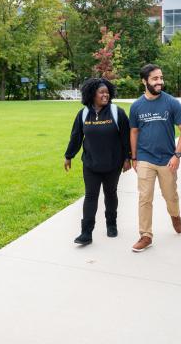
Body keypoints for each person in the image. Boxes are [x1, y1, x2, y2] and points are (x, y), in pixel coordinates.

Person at [129, 64, 181, 252]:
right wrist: (134, 157)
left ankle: (175, 215)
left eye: (161, 78)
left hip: (167, 159)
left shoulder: (171, 102)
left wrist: (177, 155)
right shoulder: (137, 106)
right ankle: (145, 235)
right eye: (155, 79)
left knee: (170, 196)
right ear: (144, 81)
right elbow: (134, 132)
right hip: (145, 158)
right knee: (144, 197)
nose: (160, 82)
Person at [64, 78, 131, 245]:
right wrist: (69, 156)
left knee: (110, 194)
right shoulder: (84, 114)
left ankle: (111, 224)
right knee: (90, 196)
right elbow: (76, 137)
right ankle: (86, 232)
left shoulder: (117, 112)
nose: (105, 95)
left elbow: (126, 138)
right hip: (91, 164)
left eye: (107, 92)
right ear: (92, 94)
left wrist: (127, 158)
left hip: (112, 164)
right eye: (101, 92)